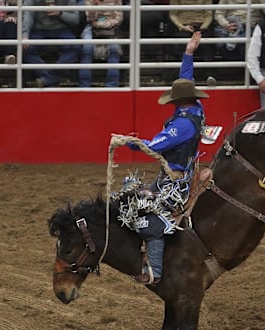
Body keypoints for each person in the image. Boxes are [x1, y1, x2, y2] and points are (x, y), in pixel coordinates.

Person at [126, 31, 208, 285]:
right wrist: (188, 53)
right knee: (134, 199)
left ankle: (156, 271)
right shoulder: (196, 109)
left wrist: (133, 144)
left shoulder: (182, 125)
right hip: (177, 174)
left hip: (175, 183)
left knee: (149, 217)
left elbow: (156, 146)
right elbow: (186, 79)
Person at [22, 0, 85, 87]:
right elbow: (28, 15)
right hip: (38, 30)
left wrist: (60, 13)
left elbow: (75, 19)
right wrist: (25, 35)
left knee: (75, 47)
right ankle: (50, 79)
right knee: (25, 49)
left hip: (61, 30)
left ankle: (47, 80)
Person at [81, 0, 123, 87]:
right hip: (92, 26)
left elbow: (118, 19)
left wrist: (104, 24)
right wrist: (95, 6)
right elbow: (90, 19)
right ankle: (84, 86)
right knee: (87, 48)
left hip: (111, 26)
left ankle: (112, 86)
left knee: (114, 49)